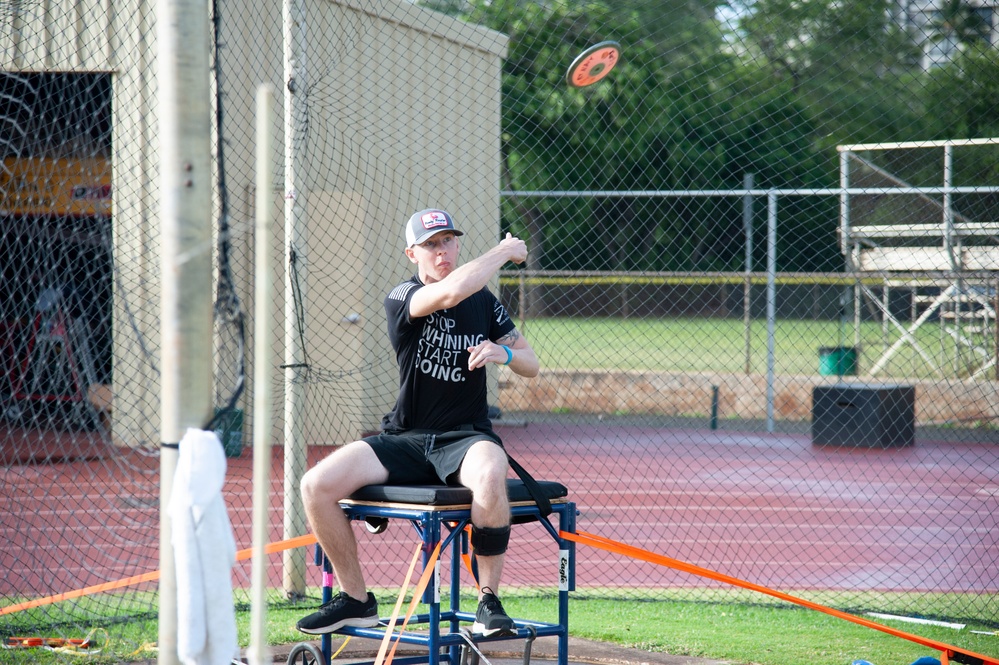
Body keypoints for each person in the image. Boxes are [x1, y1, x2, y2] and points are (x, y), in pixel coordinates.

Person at [297, 208, 539, 638]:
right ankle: (356, 601)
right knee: (315, 485)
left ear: (458, 244)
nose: (441, 250)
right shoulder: (403, 296)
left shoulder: (484, 302)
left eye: (447, 240)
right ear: (412, 253)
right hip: (407, 438)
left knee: (489, 470)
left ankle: (488, 602)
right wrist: (503, 251)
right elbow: (449, 294)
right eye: (430, 244)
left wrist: (503, 353)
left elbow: (531, 364)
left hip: (465, 438)